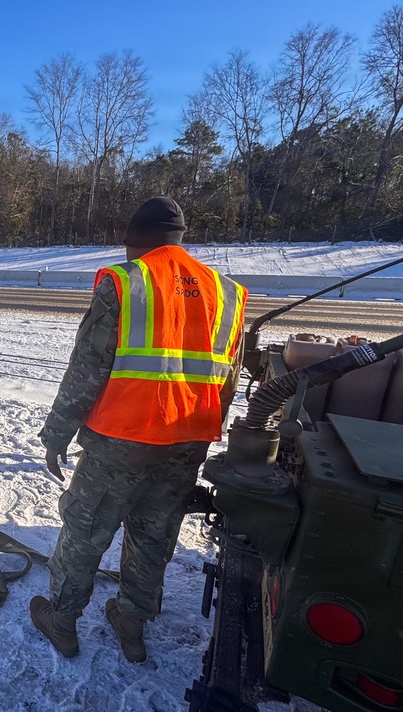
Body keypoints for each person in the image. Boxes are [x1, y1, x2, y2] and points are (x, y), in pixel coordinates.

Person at [30, 197, 247, 662]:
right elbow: (229, 380)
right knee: (154, 536)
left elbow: (87, 369)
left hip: (121, 441)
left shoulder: (127, 283)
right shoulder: (226, 291)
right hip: (187, 443)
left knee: (86, 532)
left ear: (137, 242)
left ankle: (62, 622)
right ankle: (131, 624)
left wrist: (56, 434)